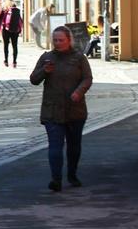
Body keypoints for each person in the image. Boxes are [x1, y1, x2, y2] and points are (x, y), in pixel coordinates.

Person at [29, 26, 93, 192]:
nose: (57, 43)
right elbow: (34, 79)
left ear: (69, 40)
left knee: (74, 146)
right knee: (55, 146)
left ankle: (72, 174)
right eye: (55, 40)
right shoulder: (46, 58)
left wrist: (79, 92)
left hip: (75, 109)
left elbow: (87, 78)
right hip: (52, 109)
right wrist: (44, 71)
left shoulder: (79, 58)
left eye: (61, 40)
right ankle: (56, 179)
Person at [0, 0, 23, 67]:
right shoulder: (15, 9)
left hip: (5, 29)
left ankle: (6, 61)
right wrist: (20, 29)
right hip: (15, 30)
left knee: (6, 45)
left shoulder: (4, 9)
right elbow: (20, 20)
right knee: (15, 46)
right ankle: (14, 62)